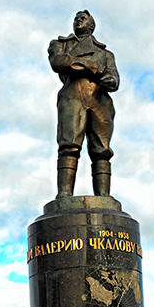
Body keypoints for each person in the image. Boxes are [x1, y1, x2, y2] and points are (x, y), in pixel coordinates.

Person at [48, 10, 119, 198]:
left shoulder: (106, 54)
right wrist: (91, 66)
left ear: (92, 26)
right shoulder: (60, 44)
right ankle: (64, 194)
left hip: (100, 101)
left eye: (83, 19)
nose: (78, 21)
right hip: (73, 97)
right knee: (68, 145)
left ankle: (104, 197)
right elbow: (59, 62)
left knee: (102, 150)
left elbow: (114, 78)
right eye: (76, 18)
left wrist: (109, 80)